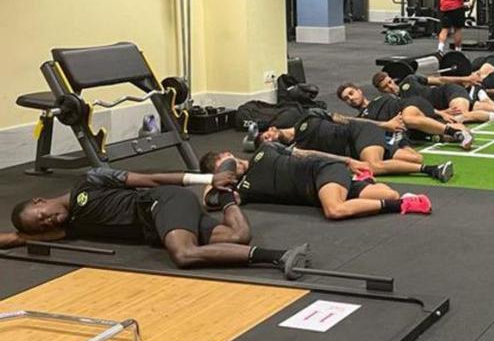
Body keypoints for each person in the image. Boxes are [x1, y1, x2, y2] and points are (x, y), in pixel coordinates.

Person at [1, 167, 308, 273]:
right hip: (163, 225)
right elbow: (14, 238)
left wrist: (205, 177)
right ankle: (225, 198)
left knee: (184, 255)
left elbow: (150, 179)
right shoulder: (68, 227)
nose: (49, 222)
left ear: (40, 200)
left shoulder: (90, 181)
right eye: (42, 226)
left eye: (42, 216)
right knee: (236, 236)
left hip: (163, 202)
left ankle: (279, 259)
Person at [200, 146, 431, 220]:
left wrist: (348, 160)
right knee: (387, 193)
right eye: (223, 168)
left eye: (228, 160)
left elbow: (305, 152)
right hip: (318, 192)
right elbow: (209, 201)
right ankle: (382, 192)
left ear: (229, 153)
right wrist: (216, 179)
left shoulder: (264, 150)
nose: (231, 166)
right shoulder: (241, 191)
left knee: (335, 210)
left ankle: (402, 205)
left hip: (322, 171)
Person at [256, 111, 454, 183]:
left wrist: (383, 125)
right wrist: (347, 161)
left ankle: (433, 170)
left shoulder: (307, 117)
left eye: (267, 136)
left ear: (273, 128)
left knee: (372, 166)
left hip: (359, 132)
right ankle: (400, 138)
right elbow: (321, 156)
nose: (270, 140)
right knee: (414, 158)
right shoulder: (296, 148)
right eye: (267, 143)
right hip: (355, 149)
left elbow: (343, 119)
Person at [336, 83, 474, 149]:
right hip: (409, 123)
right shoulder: (362, 119)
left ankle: (455, 133)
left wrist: (439, 111)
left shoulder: (379, 99)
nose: (351, 98)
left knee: (408, 119)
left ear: (359, 91)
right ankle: (460, 132)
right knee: (437, 135)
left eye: (351, 93)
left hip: (408, 106)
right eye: (346, 98)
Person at [372, 71, 494, 113]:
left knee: (460, 115)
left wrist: (466, 79)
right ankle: (480, 94)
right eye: (385, 87)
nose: (390, 86)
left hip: (448, 92)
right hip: (443, 108)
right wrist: (441, 113)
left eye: (390, 82)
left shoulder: (409, 80)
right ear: (381, 91)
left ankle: (477, 91)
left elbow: (439, 80)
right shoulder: (395, 103)